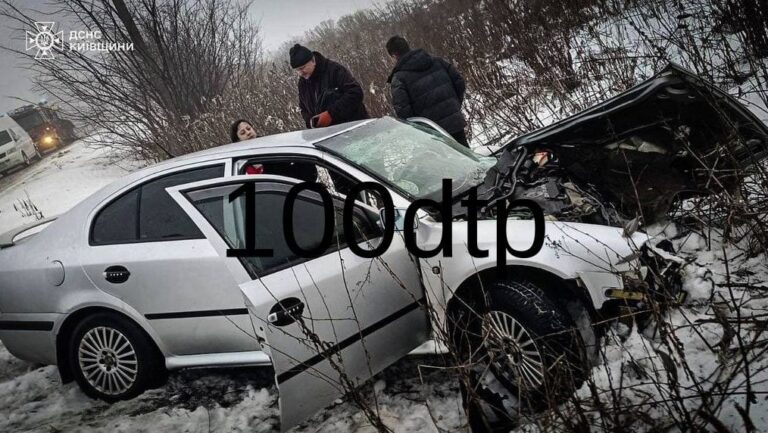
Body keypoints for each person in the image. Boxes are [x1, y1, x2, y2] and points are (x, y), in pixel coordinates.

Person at [385, 36, 469, 146]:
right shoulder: (437, 61)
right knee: (466, 154)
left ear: (394, 55)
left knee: (448, 157)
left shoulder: (399, 78)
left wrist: (420, 128)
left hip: (432, 132)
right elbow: (459, 82)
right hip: (454, 121)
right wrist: (453, 106)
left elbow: (403, 111)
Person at [289, 44, 369, 129]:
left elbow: (356, 92)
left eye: (302, 68)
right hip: (327, 134)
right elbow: (303, 109)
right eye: (297, 70)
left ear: (313, 60)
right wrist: (311, 122)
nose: (301, 73)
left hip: (355, 128)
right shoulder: (302, 84)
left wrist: (331, 114)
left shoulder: (334, 70)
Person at [229, 118, 317, 182]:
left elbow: (297, 173)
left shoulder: (272, 148)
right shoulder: (236, 165)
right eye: (243, 133)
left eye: (249, 128)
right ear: (237, 141)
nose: (248, 133)